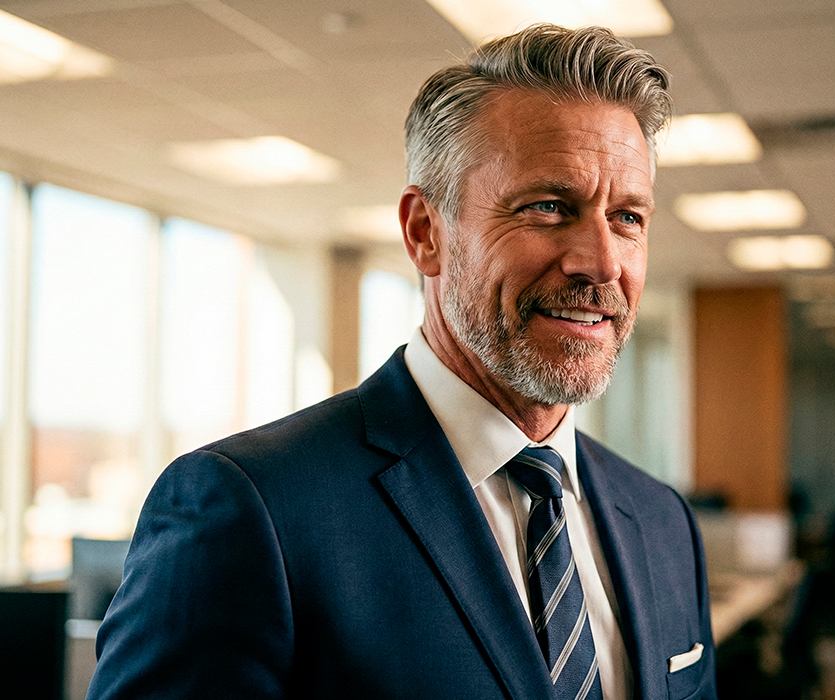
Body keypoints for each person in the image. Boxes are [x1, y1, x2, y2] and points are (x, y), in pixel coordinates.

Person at [87, 24, 717, 700]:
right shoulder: (251, 510)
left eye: (628, 218)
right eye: (547, 207)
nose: (602, 262)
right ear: (425, 233)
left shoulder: (662, 523)